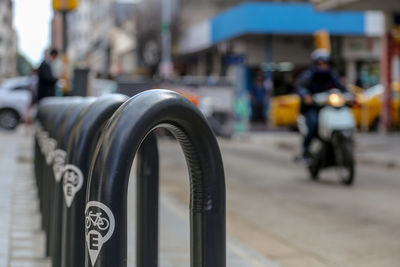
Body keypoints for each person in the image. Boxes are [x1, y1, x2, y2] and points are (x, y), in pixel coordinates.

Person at [296, 49, 348, 159]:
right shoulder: (309, 75)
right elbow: (300, 87)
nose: (323, 66)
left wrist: (350, 95)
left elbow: (342, 88)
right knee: (314, 123)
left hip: (328, 107)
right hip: (313, 107)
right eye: (321, 64)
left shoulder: (332, 74)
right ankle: (306, 150)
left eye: (326, 64)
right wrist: (306, 95)